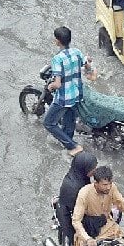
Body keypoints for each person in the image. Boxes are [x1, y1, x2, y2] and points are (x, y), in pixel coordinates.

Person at [43, 26, 96, 156]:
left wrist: (50, 87)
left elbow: (57, 83)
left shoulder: (57, 59)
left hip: (64, 97)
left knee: (48, 123)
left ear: (57, 41)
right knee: (69, 121)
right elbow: (87, 65)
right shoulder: (77, 52)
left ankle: (73, 146)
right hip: (77, 93)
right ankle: (68, 141)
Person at [57, 152, 98, 246]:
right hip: (71, 216)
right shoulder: (74, 189)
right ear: (84, 168)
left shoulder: (78, 176)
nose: (95, 170)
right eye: (93, 168)